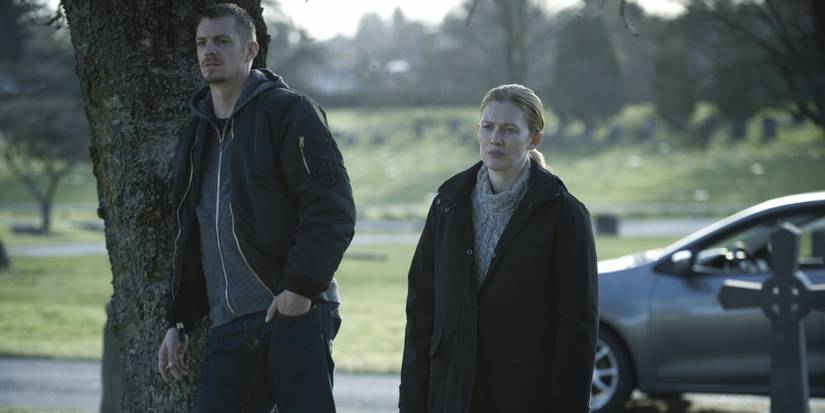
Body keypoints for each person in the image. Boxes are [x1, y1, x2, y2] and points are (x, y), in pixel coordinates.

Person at [156, 4, 355, 412]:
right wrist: (180, 319)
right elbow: (190, 230)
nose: (209, 51)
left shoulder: (289, 112)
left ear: (251, 49)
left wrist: (299, 290)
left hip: (292, 312)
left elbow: (330, 207)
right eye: (202, 43)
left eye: (222, 41)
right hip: (228, 322)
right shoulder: (195, 133)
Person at [399, 84, 598, 412]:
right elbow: (422, 311)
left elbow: (578, 326)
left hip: (526, 396)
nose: (495, 139)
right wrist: (411, 403)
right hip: (450, 395)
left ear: (534, 139)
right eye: (487, 127)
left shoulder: (564, 215)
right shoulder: (448, 206)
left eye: (509, 129)